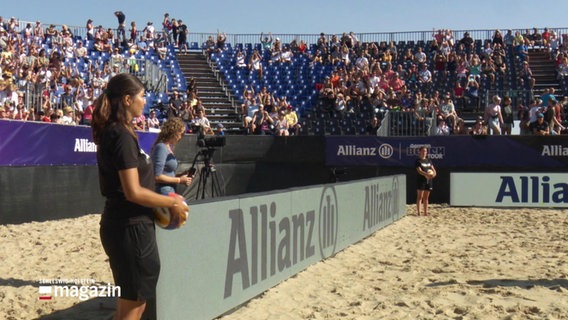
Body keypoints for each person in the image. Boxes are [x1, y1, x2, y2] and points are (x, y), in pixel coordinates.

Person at [91, 73, 188, 320]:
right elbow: (132, 191)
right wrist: (172, 201)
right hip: (130, 228)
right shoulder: (120, 135)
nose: (145, 101)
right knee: (132, 309)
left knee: (131, 305)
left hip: (127, 226)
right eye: (142, 96)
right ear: (126, 99)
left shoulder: (118, 132)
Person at [151, 117, 192, 196]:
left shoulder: (167, 147)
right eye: (181, 133)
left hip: (169, 191)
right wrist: (179, 180)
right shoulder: (161, 147)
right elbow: (157, 176)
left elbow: (167, 174)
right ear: (174, 132)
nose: (181, 137)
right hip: (163, 193)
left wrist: (181, 176)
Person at [415, 146, 436, 217]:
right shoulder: (418, 161)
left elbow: (433, 170)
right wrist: (426, 174)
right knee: (420, 196)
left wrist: (433, 175)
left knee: (426, 197)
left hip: (429, 180)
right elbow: (419, 171)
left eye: (425, 151)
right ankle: (418, 212)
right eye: (423, 151)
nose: (424, 153)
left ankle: (426, 212)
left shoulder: (429, 160)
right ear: (420, 152)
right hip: (421, 180)